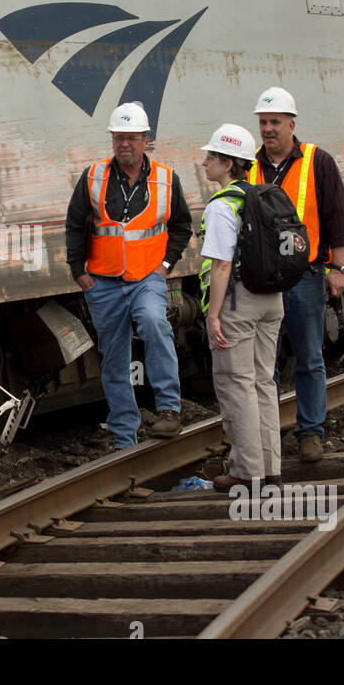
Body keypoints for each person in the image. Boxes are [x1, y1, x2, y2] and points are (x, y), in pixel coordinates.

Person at [65, 102, 193, 449]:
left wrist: (166, 265)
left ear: (145, 141)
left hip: (146, 278)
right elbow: (75, 224)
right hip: (102, 283)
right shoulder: (93, 177)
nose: (125, 144)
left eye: (132, 139)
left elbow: (182, 225)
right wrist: (79, 272)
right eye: (119, 138)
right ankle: (124, 436)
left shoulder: (166, 179)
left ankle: (168, 410)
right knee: (114, 357)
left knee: (154, 322)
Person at [249, 87, 344, 463]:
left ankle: (310, 432)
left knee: (309, 356)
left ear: (292, 124)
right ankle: (268, 437)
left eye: (275, 122)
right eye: (263, 122)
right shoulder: (250, 165)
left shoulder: (316, 161)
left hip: (306, 274)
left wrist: (338, 268)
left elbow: (337, 216)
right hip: (261, 280)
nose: (268, 129)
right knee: (265, 362)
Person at [199, 124, 284, 489]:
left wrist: (213, 314)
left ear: (229, 163)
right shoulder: (263, 195)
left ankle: (246, 473)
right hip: (272, 301)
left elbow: (220, 265)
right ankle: (271, 469)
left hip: (238, 302)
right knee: (264, 383)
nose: (204, 163)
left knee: (237, 385)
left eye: (211, 157)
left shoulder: (222, 206)